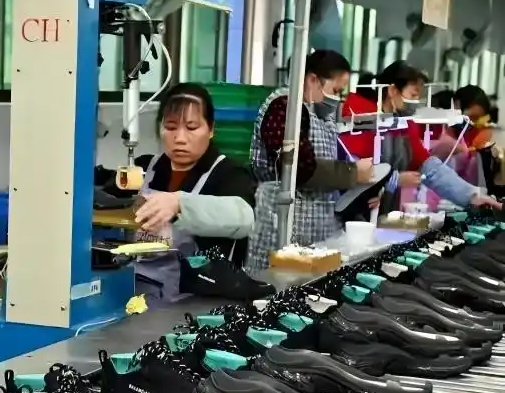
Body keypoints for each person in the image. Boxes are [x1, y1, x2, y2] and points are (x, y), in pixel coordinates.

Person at [96, 83, 257, 302]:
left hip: (193, 300)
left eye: (191, 128)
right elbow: (103, 199)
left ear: (211, 130)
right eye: (171, 127)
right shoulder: (147, 168)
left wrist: (179, 203)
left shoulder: (228, 174)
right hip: (137, 290)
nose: (180, 138)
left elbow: (243, 216)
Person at [244, 50, 375, 272]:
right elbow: (297, 167)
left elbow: (333, 171)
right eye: (336, 90)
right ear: (312, 80)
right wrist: (353, 173)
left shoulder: (323, 118)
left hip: (318, 233)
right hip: (282, 225)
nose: (338, 98)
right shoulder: (285, 107)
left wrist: (364, 192)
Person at [340, 62, 500, 212]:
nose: (416, 102)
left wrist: (472, 195)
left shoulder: (404, 123)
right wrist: (393, 180)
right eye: (413, 95)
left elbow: (430, 167)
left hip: (384, 208)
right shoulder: (361, 119)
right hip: (353, 210)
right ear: (393, 91)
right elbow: (350, 169)